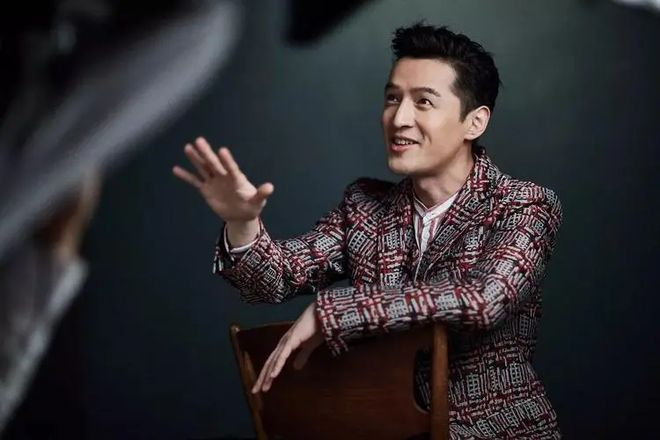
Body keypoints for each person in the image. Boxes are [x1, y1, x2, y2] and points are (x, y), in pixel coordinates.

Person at [173, 23, 563, 439]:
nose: (399, 118)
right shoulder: (364, 206)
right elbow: (275, 279)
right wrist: (242, 221)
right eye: (392, 98)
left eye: (423, 101)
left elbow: (484, 299)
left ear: (474, 122)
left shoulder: (525, 205)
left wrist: (334, 311)